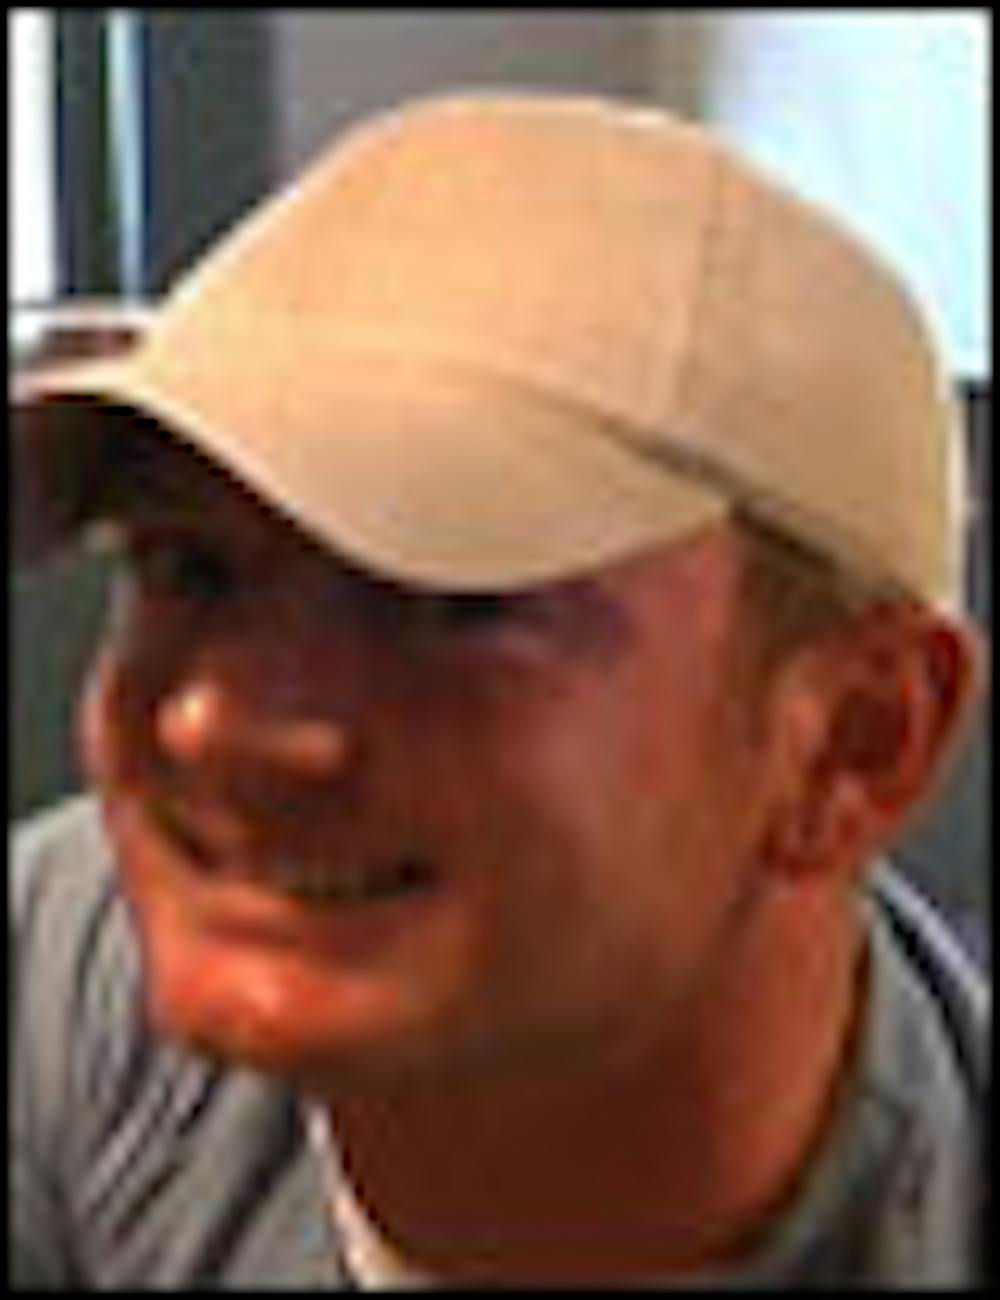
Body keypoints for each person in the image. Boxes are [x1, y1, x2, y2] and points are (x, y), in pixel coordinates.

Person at [10, 92, 990, 1289]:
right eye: (187, 569)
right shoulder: (68, 963)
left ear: (854, 739)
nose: (213, 724)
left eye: (448, 596)